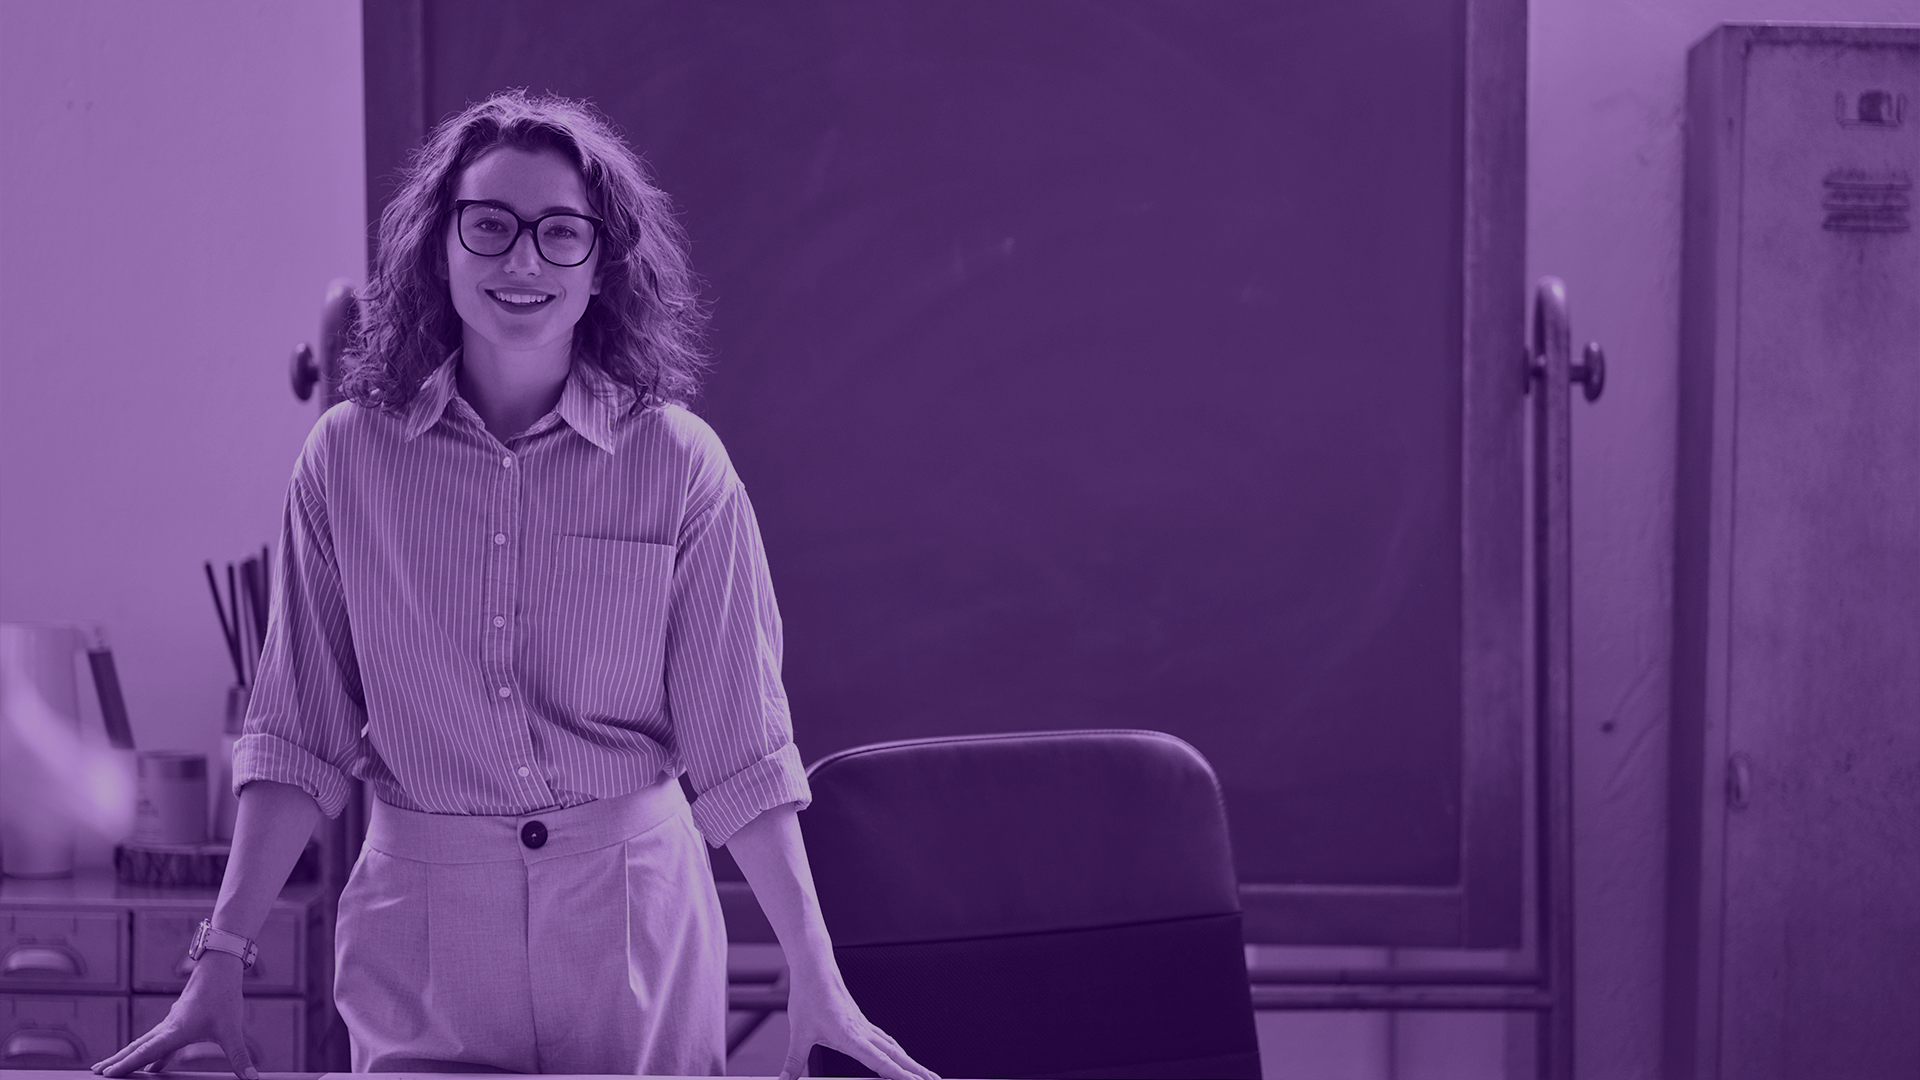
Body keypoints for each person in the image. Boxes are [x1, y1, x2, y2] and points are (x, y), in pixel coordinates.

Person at [92, 89, 937, 1080]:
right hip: (425, 933)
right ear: (438, 247)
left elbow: (743, 748)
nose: (522, 260)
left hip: (633, 926)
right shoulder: (346, 459)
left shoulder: (680, 463)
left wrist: (816, 975)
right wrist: (221, 956)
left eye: (560, 233)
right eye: (488, 226)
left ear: (600, 265)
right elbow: (295, 736)